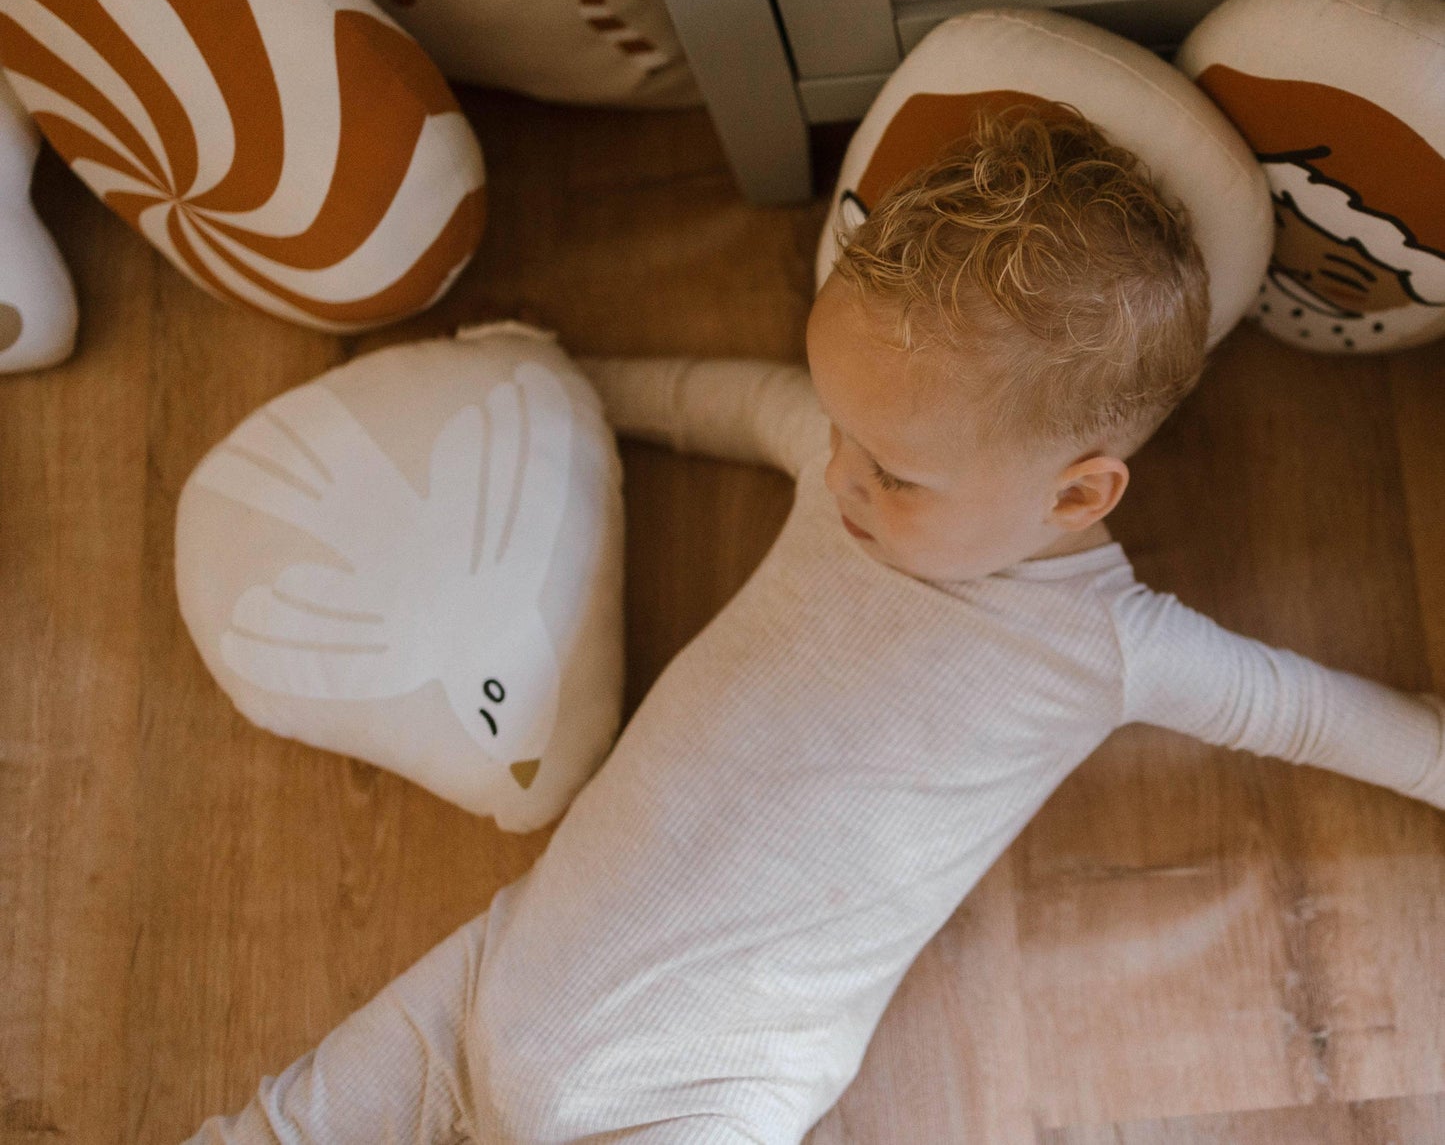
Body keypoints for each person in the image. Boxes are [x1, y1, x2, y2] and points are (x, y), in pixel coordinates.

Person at [186, 107, 1445, 1145]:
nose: (840, 471)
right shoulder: (846, 477)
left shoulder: (1108, 642)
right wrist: (555, 379)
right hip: (503, 977)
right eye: (840, 429)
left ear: (1073, 491)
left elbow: (1300, 709)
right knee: (281, 1125)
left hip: (708, 1085)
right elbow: (727, 403)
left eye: (891, 468)